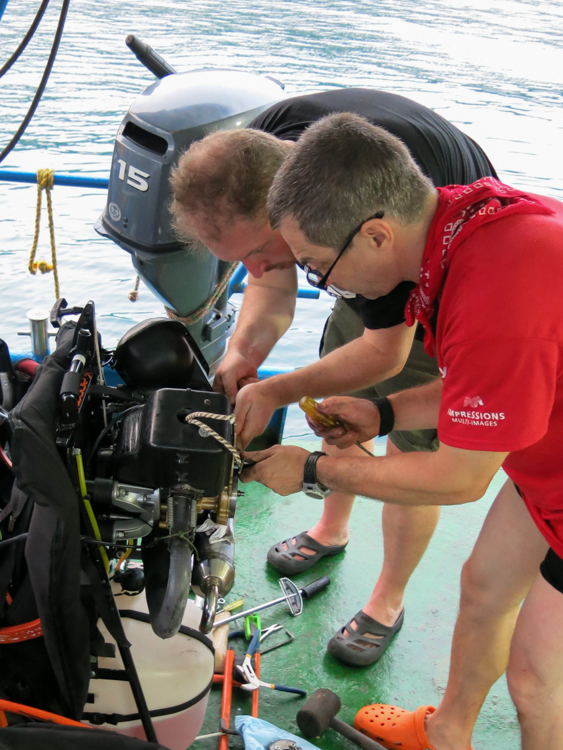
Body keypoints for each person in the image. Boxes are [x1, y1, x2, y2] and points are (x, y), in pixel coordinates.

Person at [241, 112, 563, 750]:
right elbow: (491, 384)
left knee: (535, 681)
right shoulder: (462, 224)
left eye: (318, 269)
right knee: (484, 588)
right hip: (545, 461)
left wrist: (311, 469)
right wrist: (383, 414)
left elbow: (460, 478)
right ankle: (446, 733)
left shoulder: (495, 291)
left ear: (376, 235)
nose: (324, 286)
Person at [170, 88, 497, 666]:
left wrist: (278, 391)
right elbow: (270, 275)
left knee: (408, 446)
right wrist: (243, 351)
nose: (251, 270)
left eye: (258, 249)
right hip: (344, 251)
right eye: (235, 259)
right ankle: (332, 527)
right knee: (338, 408)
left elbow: (386, 355)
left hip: (437, 271)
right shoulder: (255, 155)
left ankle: (388, 598)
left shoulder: (374, 226)